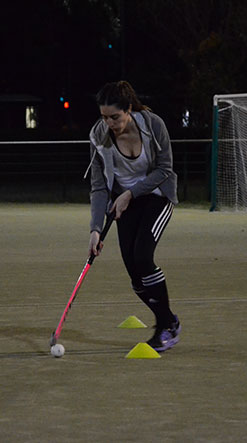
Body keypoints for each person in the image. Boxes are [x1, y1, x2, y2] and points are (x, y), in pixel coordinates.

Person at [84, 81, 181, 352]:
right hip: (124, 204)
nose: (109, 123)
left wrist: (129, 194)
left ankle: (166, 328)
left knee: (142, 257)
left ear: (128, 109)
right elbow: (99, 186)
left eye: (114, 117)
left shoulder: (153, 126)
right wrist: (95, 228)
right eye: (104, 117)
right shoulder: (98, 135)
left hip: (157, 196)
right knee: (135, 277)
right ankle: (169, 319)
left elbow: (165, 169)